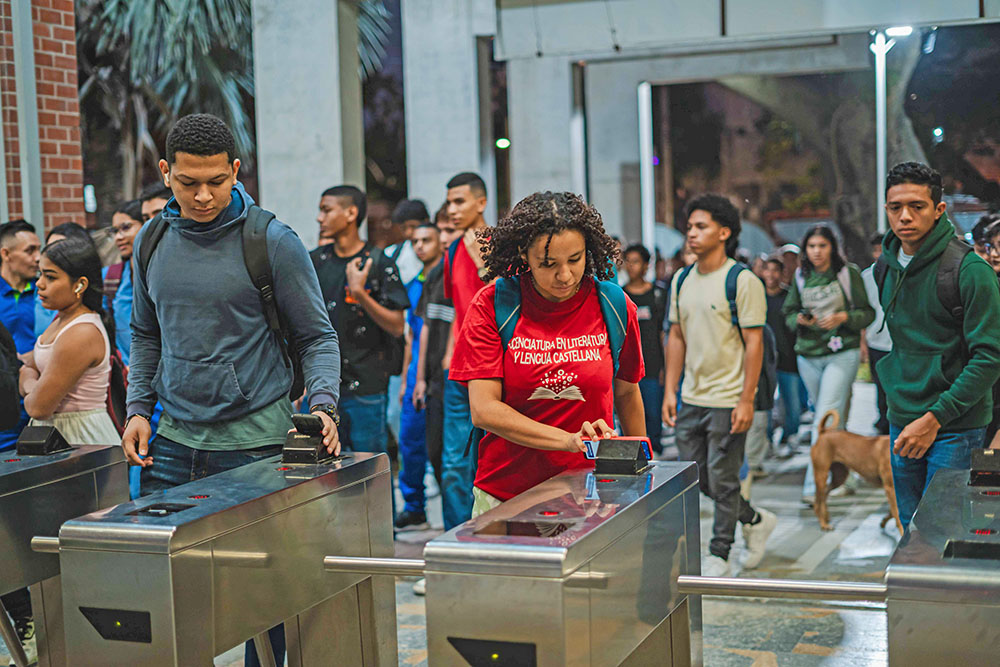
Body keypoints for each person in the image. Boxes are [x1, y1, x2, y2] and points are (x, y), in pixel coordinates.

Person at [121, 114, 342, 667]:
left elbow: (317, 336)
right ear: (165, 173)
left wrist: (323, 406)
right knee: (164, 600)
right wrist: (139, 409)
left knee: (264, 606)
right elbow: (146, 333)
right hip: (169, 446)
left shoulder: (271, 240)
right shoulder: (150, 241)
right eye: (189, 182)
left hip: (257, 445)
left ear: (236, 170)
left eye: (216, 181)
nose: (202, 195)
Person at [450, 191, 645, 514]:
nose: (564, 275)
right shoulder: (493, 305)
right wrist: (568, 440)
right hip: (506, 495)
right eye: (548, 263)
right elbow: (484, 409)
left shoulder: (614, 305)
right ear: (524, 255)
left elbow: (627, 394)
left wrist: (640, 478)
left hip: (594, 496)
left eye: (575, 259)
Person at [877, 162, 1000, 527]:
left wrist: (935, 418)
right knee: (912, 534)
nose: (905, 216)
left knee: (943, 536)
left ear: (938, 209)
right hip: (901, 420)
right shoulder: (885, 267)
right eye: (895, 207)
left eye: (917, 206)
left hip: (956, 427)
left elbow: (989, 357)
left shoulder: (969, 270)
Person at [662, 194, 777, 576]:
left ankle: (721, 551)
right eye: (690, 227)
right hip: (691, 396)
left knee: (724, 477)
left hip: (728, 398)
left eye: (701, 226)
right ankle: (755, 520)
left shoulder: (741, 281)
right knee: (698, 477)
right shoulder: (681, 279)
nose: (692, 234)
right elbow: (676, 336)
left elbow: (754, 343)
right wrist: (670, 390)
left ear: (724, 232)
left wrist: (747, 399)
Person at [310, 185, 408, 455]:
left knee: (370, 471)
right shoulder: (315, 261)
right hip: (324, 389)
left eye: (326, 210)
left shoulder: (378, 262)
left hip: (367, 386)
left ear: (351, 213)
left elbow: (398, 326)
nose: (320, 218)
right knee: (327, 473)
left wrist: (359, 294)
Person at [782, 224, 874, 505]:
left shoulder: (848, 274)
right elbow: (787, 313)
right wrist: (798, 320)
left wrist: (843, 318)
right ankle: (844, 477)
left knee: (824, 417)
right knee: (837, 420)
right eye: (811, 247)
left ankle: (815, 487)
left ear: (832, 247)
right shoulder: (801, 276)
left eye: (822, 246)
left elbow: (867, 313)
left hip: (841, 353)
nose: (817, 252)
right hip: (808, 355)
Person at [21, 237, 119, 444]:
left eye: (50, 277)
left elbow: (38, 407)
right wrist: (34, 385)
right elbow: (28, 365)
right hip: (59, 434)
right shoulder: (62, 320)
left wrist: (30, 387)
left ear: (80, 285)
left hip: (80, 439)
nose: (39, 283)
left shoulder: (82, 332)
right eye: (40, 274)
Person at [441, 172, 489, 530]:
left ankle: (499, 543)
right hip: (458, 370)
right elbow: (458, 308)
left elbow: (511, 300)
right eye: (450, 203)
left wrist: (484, 261)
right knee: (455, 464)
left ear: (481, 203)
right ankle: (454, 545)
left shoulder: (502, 245)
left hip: (495, 373)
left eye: (460, 201)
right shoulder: (454, 248)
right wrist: (449, 354)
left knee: (494, 464)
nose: (452, 210)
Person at [395, 223, 443, 532]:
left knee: (442, 449)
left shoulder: (448, 280)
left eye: (427, 240)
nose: (420, 246)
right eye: (415, 241)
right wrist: (404, 379)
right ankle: (414, 508)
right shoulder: (414, 284)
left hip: (440, 370)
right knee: (409, 439)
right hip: (415, 372)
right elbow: (410, 336)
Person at [622, 243, 666, 454]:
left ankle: (653, 451)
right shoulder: (619, 296)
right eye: (627, 261)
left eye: (636, 261)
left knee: (652, 413)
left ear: (646, 265)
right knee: (627, 414)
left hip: (652, 366)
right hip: (626, 369)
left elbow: (663, 333)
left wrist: (666, 367)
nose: (631, 266)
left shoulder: (657, 295)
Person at [762, 256, 801, 457]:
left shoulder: (789, 296)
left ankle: (790, 436)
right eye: (767, 270)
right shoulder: (757, 296)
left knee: (792, 402)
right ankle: (766, 440)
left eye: (775, 270)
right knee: (765, 402)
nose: (771, 275)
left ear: (782, 273)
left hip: (788, 358)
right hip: (763, 360)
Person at [33, 222, 94, 338]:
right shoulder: (42, 295)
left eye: (60, 250)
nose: (39, 283)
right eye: (49, 248)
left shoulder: (83, 330)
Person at [861, 232, 892, 435]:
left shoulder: (902, 273)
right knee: (880, 385)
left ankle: (989, 466)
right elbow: (864, 310)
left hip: (896, 341)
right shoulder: (866, 276)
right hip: (876, 340)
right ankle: (884, 421)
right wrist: (862, 342)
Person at [385, 199, 428, 285]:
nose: (408, 233)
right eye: (403, 228)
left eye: (413, 226)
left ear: (426, 222)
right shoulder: (391, 253)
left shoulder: (438, 253)